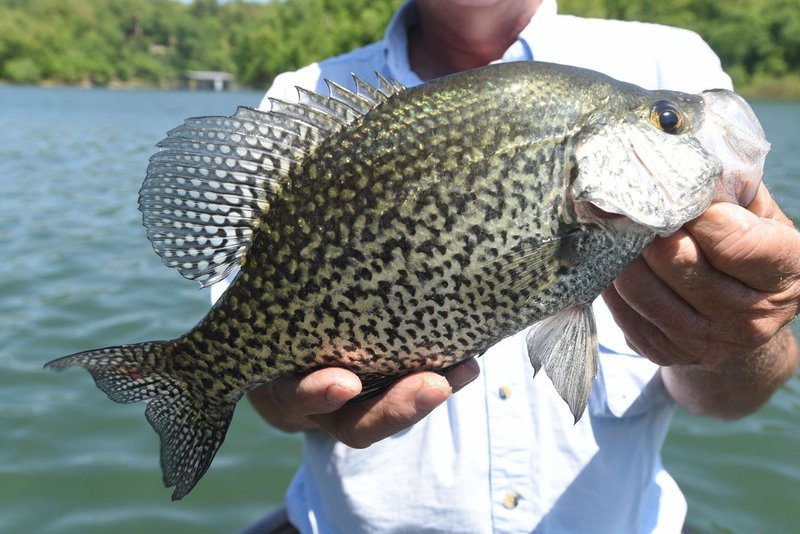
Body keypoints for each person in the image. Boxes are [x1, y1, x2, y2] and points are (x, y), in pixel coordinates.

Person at [214, 1, 800, 532]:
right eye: (669, 122)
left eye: (666, 121)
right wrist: (282, 393)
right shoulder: (301, 102)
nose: (684, 125)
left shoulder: (669, 60)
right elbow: (268, 393)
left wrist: (747, 326)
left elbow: (733, 399)